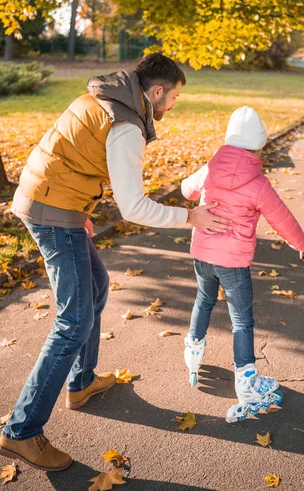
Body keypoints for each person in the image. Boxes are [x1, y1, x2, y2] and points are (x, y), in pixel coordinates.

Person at [0, 53, 229, 471]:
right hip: (51, 210)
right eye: (174, 96)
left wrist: (79, 209)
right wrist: (189, 216)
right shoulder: (125, 125)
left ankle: (81, 383)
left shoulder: (106, 97)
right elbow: (133, 207)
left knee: (97, 286)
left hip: (56, 202)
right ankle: (21, 432)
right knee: (74, 322)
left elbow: (70, 152)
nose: (174, 105)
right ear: (156, 91)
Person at [181, 106, 304, 423]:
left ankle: (193, 352)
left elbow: (187, 189)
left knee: (203, 299)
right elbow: (281, 217)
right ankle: (247, 381)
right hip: (233, 262)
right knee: (242, 321)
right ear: (258, 146)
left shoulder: (211, 168)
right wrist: (299, 242)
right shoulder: (258, 183)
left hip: (202, 252)